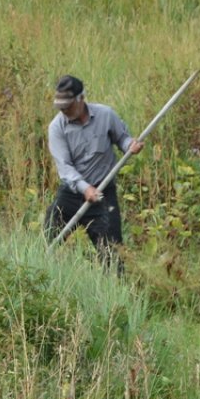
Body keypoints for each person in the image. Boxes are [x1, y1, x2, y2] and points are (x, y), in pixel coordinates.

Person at [46, 74, 144, 273]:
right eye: (61, 107)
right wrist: (84, 188)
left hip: (102, 194)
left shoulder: (106, 115)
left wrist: (130, 146)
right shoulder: (57, 128)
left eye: (68, 105)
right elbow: (65, 168)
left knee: (112, 255)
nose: (64, 111)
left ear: (81, 98)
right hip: (72, 194)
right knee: (50, 235)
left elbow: (122, 138)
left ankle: (116, 293)